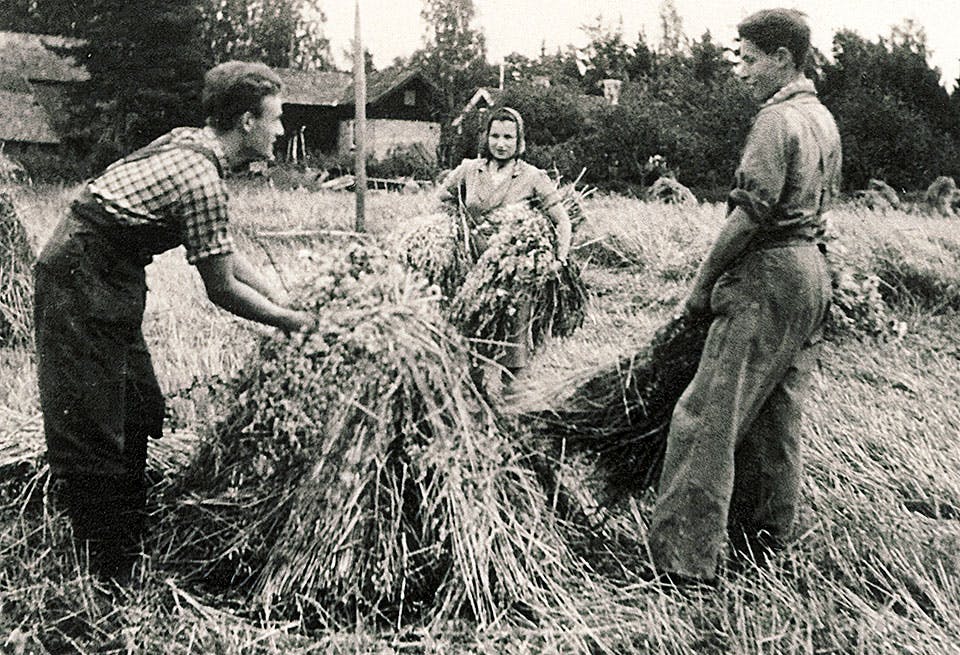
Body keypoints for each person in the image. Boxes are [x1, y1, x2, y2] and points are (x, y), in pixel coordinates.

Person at [34, 61, 314, 582]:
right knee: (95, 420)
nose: (281, 130)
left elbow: (220, 249)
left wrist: (280, 295)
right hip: (79, 273)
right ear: (246, 122)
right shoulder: (200, 176)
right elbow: (220, 287)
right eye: (275, 119)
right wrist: (288, 321)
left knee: (137, 406)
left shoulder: (197, 146)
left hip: (109, 273)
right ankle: (105, 570)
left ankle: (129, 535)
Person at [645, 9, 841, 586]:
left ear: (782, 59)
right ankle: (765, 548)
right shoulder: (822, 118)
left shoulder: (776, 121)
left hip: (768, 274)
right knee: (775, 421)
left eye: (750, 59)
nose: (741, 71)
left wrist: (702, 282)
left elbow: (749, 215)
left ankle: (685, 562)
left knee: (707, 418)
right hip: (812, 274)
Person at [438, 107, 572, 386]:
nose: (500, 144)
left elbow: (562, 221)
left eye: (508, 137)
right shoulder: (469, 170)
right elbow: (443, 199)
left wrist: (559, 259)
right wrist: (453, 228)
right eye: (495, 136)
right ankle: (475, 393)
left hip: (513, 274)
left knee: (514, 340)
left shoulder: (532, 177)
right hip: (472, 268)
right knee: (471, 335)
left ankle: (514, 398)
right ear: (486, 138)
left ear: (519, 140)